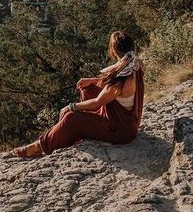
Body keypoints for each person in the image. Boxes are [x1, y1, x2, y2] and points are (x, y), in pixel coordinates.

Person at [10, 30, 144, 158]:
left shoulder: (120, 80)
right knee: (88, 88)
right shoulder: (134, 64)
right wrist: (94, 80)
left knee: (71, 118)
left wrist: (71, 106)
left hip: (120, 131)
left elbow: (97, 102)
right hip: (126, 123)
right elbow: (117, 91)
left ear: (114, 51)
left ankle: (39, 146)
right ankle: (86, 129)